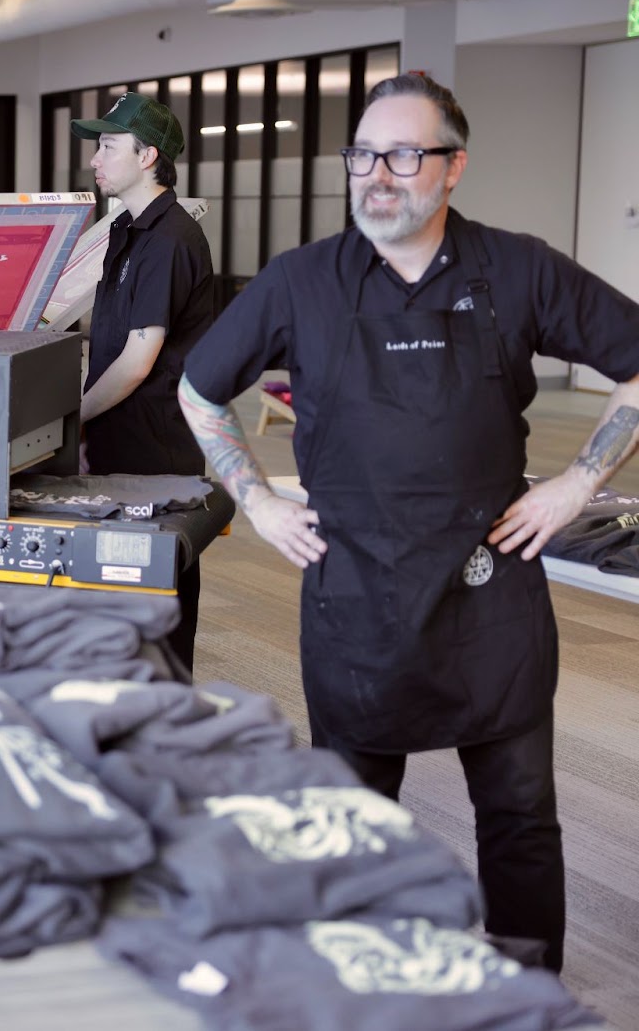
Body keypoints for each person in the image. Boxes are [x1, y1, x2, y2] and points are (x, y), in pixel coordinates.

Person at [178, 71, 639, 972]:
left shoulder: (518, 268)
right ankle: (365, 978)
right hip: (357, 588)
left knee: (518, 812)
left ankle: (526, 986)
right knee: (353, 817)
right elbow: (199, 389)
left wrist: (577, 484)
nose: (377, 176)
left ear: (453, 166)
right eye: (362, 154)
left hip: (490, 589)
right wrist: (257, 499)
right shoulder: (302, 280)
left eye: (402, 154)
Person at [70, 93, 216, 675]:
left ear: (147, 155)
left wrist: (72, 418)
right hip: (119, 434)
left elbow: (137, 360)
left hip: (156, 445)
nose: (95, 160)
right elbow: (110, 333)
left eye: (108, 146)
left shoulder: (170, 238)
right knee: (118, 600)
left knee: (158, 601)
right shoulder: (127, 229)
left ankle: (169, 712)